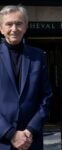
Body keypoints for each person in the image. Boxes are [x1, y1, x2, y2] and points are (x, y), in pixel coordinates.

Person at [0, 5, 52, 150]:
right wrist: (10, 133)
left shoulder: (38, 56)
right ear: (1, 29)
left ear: (26, 27)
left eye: (18, 23)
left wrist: (30, 129)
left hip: (31, 140)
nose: (14, 29)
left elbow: (46, 97)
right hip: (2, 140)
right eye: (9, 24)